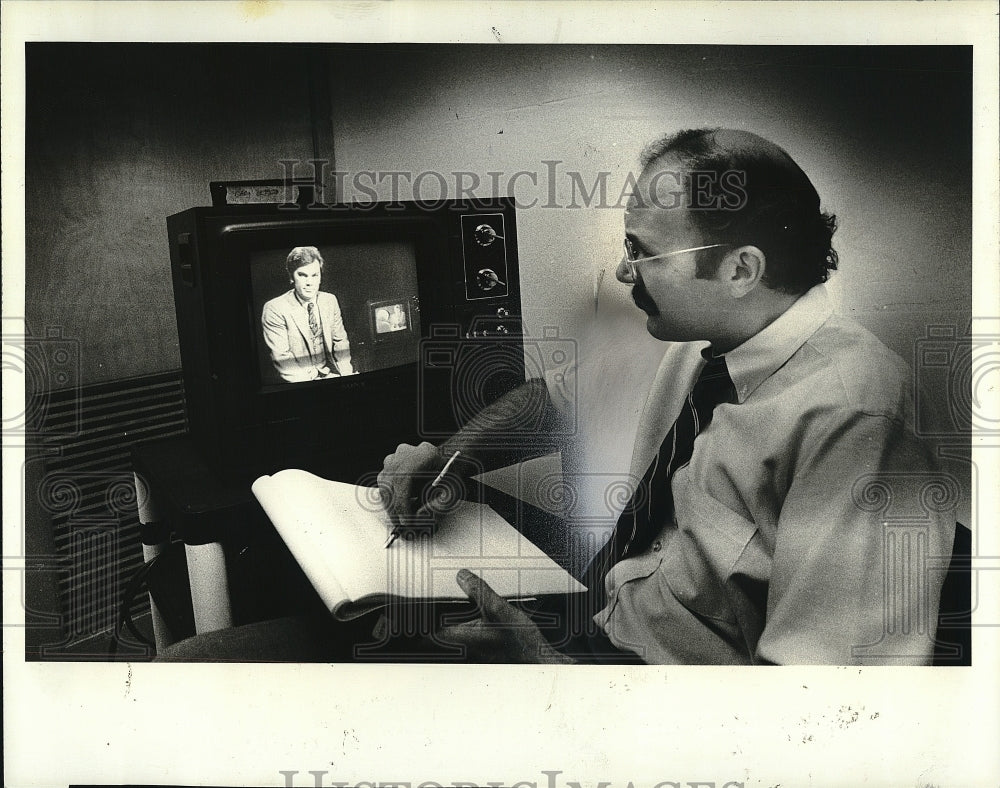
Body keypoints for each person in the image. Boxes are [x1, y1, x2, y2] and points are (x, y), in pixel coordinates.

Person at [161, 129, 955, 664]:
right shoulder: (698, 340)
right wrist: (454, 459)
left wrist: (548, 672)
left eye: (641, 253)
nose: (621, 273)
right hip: (580, 623)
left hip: (621, 703)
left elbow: (821, 730)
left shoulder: (855, 419)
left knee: (201, 670)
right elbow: (554, 401)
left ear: (741, 270)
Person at [261, 246, 354, 382]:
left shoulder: (330, 300)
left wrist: (346, 376)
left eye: (314, 275)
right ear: (292, 277)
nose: (310, 282)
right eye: (302, 275)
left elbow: (341, 343)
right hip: (297, 381)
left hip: (331, 373)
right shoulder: (274, 308)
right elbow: (283, 359)